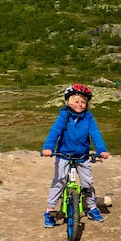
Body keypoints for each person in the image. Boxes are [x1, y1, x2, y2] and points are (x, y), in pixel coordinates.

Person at [41, 83, 110, 227]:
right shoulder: (64, 116)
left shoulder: (88, 117)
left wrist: (101, 149)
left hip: (82, 156)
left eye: (83, 102)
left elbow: (95, 134)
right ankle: (50, 210)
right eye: (76, 101)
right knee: (59, 181)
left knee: (87, 182)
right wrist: (48, 147)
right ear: (68, 101)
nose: (80, 104)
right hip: (63, 154)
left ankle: (92, 207)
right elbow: (55, 131)